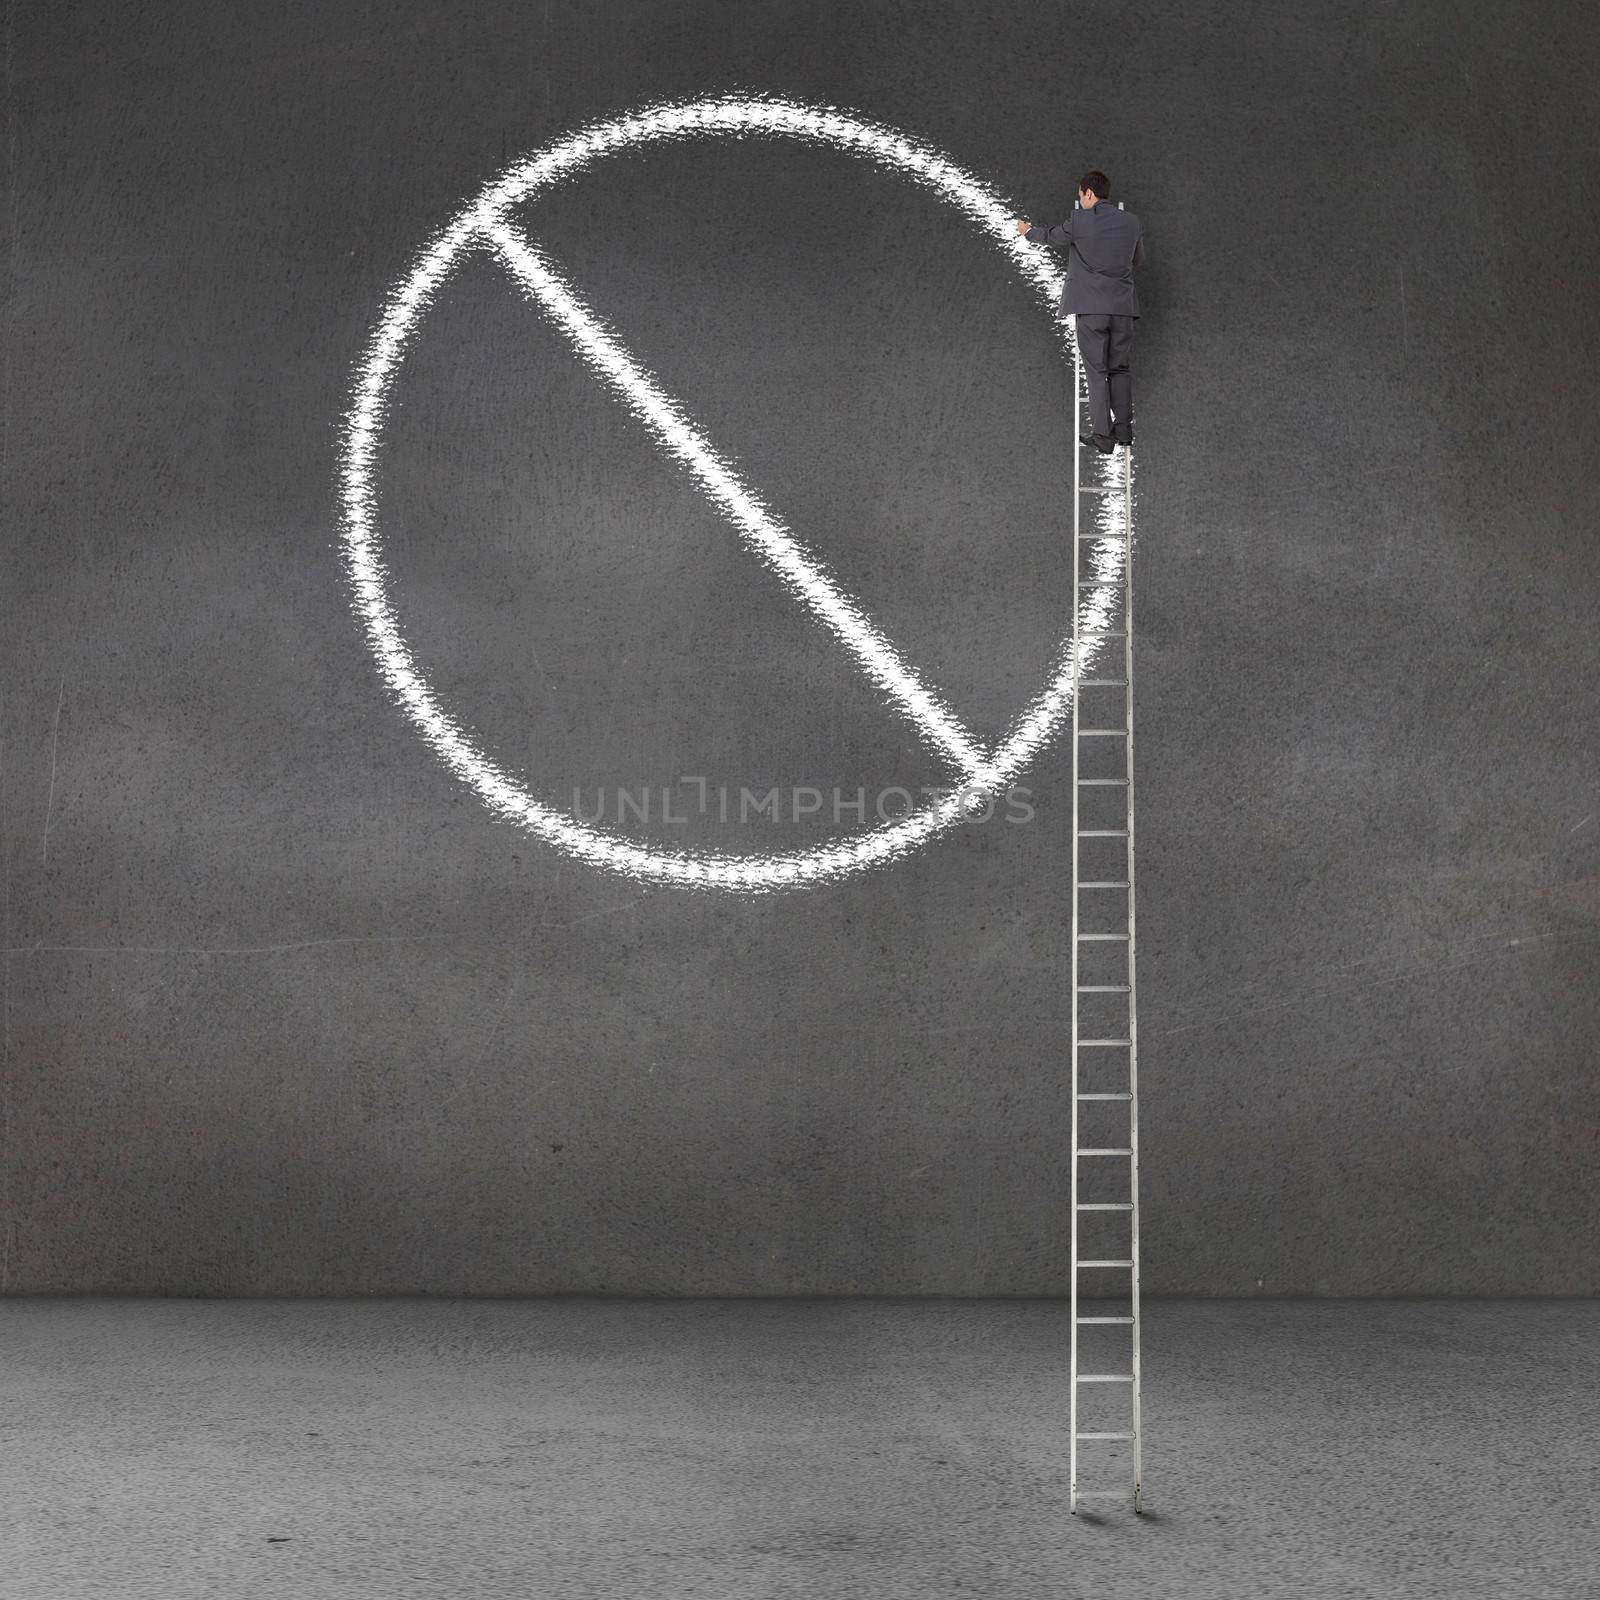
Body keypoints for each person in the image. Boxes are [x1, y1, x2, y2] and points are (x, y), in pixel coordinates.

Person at [1014, 172, 1145, 455]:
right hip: (1123, 309)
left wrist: (1026, 230)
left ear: (1088, 193)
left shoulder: (1081, 220)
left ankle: (1103, 436)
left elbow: (1050, 236)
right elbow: (1138, 260)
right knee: (1120, 369)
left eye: (1080, 195)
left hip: (1092, 309)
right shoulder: (1132, 222)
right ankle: (1124, 431)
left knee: (1097, 372)